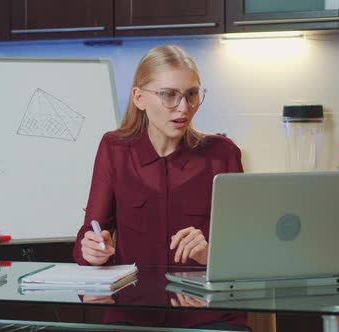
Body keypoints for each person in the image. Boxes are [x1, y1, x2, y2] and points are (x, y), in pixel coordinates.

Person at [73, 45, 248, 330]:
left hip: (208, 316)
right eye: (169, 95)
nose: (184, 107)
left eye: (192, 94)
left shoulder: (222, 154)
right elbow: (90, 233)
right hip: (132, 315)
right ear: (139, 97)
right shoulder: (114, 149)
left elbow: (249, 253)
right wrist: (92, 250)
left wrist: (210, 255)